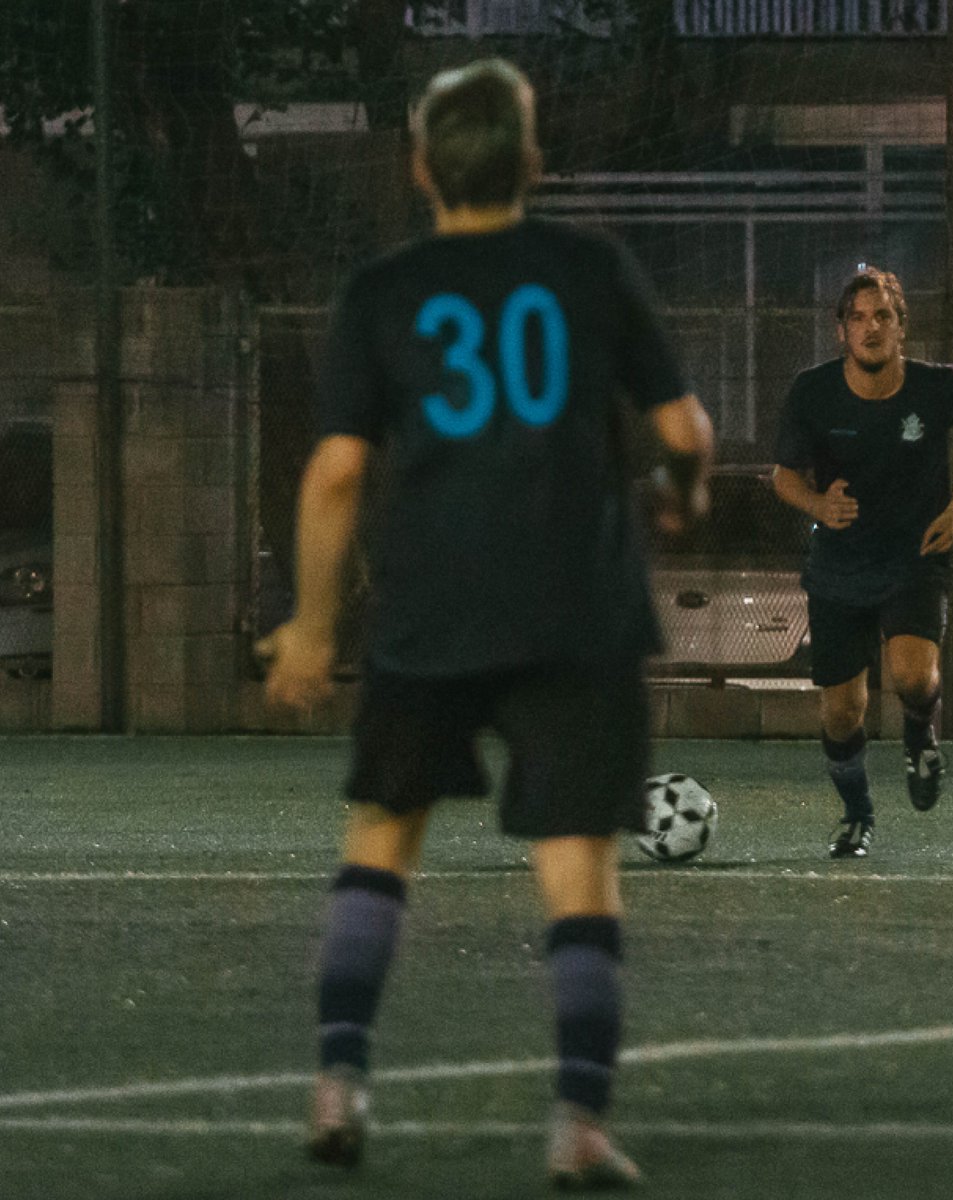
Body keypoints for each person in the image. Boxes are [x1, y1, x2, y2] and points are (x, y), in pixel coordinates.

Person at [259, 58, 713, 1190]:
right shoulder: (591, 269)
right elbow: (684, 429)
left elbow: (332, 477)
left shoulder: (382, 290)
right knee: (577, 868)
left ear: (419, 169)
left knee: (380, 847)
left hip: (430, 609)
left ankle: (338, 1089)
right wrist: (686, 489)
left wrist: (312, 628)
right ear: (533, 164)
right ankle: (577, 1125)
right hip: (576, 612)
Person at [772, 266, 953, 859]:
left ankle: (919, 731)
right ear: (841, 331)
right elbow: (783, 477)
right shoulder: (812, 392)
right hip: (838, 567)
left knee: (912, 676)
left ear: (902, 328)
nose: (871, 328)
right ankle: (857, 813)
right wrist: (819, 502)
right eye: (858, 317)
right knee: (843, 712)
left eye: (883, 316)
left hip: (913, 559)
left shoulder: (940, 386)